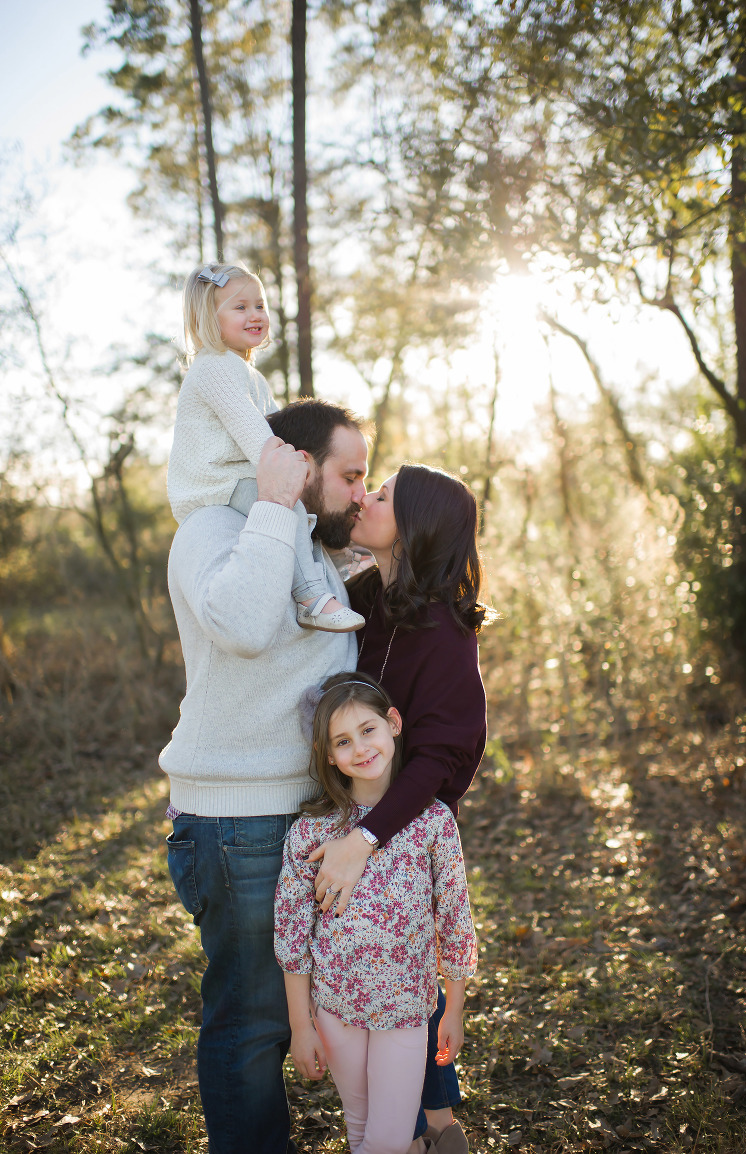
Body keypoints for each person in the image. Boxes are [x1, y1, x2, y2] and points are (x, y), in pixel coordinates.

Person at [161, 398, 369, 1154]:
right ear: (301, 467)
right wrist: (276, 503)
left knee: (291, 1013)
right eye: (351, 474)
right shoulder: (213, 531)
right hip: (239, 825)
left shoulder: (307, 543)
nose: (358, 490)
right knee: (252, 1025)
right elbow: (247, 627)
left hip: (304, 817)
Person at [308, 463, 490, 1154]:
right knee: (380, 990)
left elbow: (442, 761)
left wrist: (366, 840)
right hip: (359, 819)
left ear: (414, 530)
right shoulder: (366, 598)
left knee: (408, 991)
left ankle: (433, 1135)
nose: (365, 498)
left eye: (380, 495)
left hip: (407, 841)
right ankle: (418, 1130)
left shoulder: (444, 630)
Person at [274, 672, 477, 1154]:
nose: (361, 748)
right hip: (336, 1009)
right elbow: (292, 935)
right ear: (328, 755)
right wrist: (302, 1027)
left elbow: (454, 915)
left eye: (369, 730)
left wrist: (455, 1007)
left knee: (386, 1140)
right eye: (343, 741)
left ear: (394, 724)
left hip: (405, 1008)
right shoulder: (311, 831)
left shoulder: (431, 823)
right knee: (362, 1130)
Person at [167, 259, 363, 633]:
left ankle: (333, 562)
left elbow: (278, 430)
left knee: (307, 493)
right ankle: (310, 598)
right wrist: (292, 471)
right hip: (215, 483)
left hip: (242, 475)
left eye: (259, 305)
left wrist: (310, 463)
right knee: (285, 504)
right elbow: (259, 438)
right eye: (240, 307)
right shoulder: (212, 368)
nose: (254, 314)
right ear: (209, 318)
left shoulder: (249, 373)